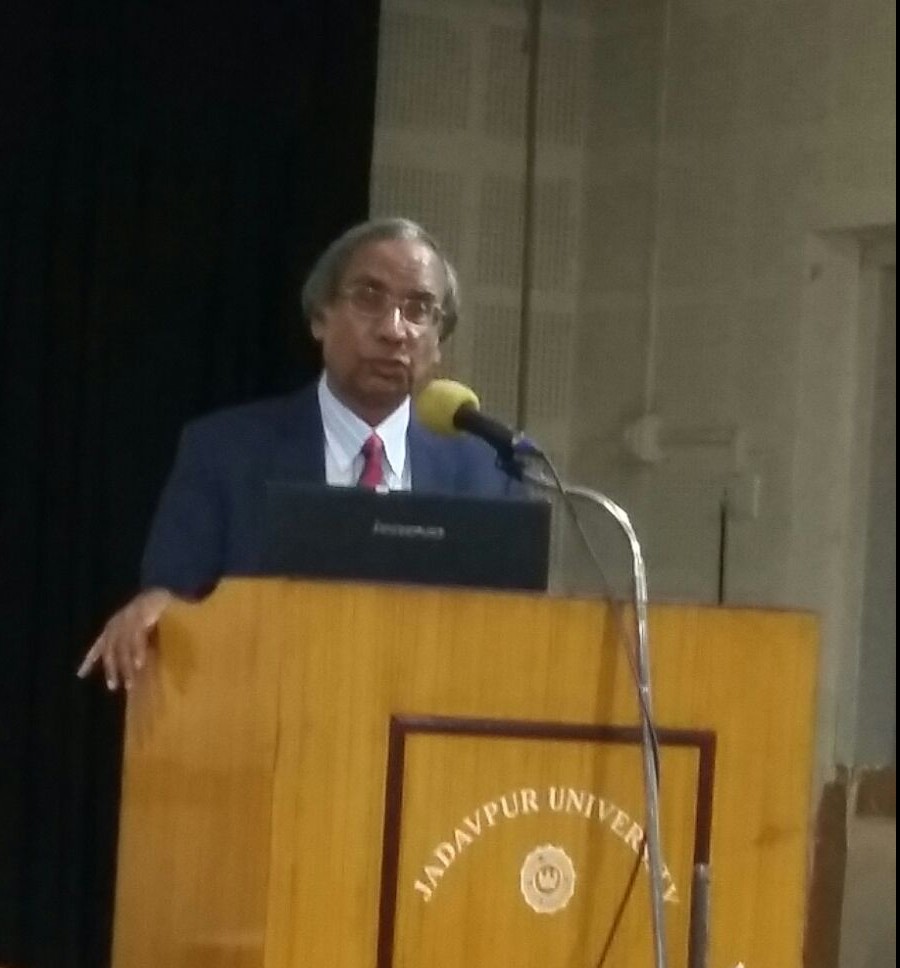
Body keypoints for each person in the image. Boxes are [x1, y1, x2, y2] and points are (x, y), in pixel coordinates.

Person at [77, 217, 518, 691]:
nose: (395, 330)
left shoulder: (487, 470)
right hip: (263, 725)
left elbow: (514, 635)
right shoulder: (226, 451)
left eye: (419, 309)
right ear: (319, 316)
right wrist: (154, 609)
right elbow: (172, 592)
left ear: (437, 341)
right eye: (370, 298)